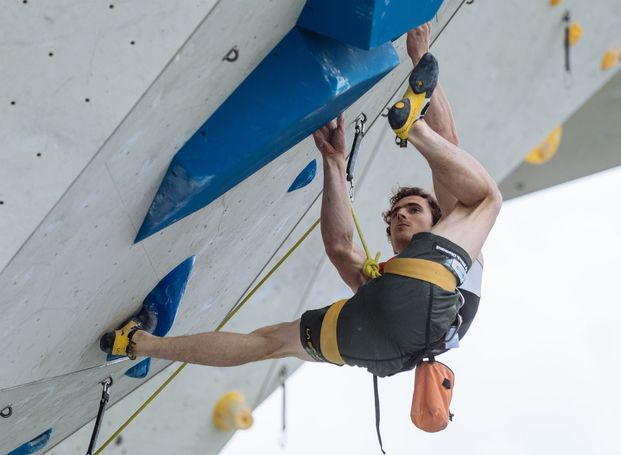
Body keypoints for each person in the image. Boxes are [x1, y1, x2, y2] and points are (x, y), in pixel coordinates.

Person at [100, 24, 501, 378]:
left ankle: (414, 128)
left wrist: (420, 55)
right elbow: (340, 246)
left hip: (408, 320)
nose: (400, 215)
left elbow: (451, 150)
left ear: (437, 222)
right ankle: (136, 344)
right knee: (268, 343)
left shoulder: (461, 236)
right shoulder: (384, 276)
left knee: (486, 199)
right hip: (381, 351)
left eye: (414, 210)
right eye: (397, 212)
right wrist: (333, 161)